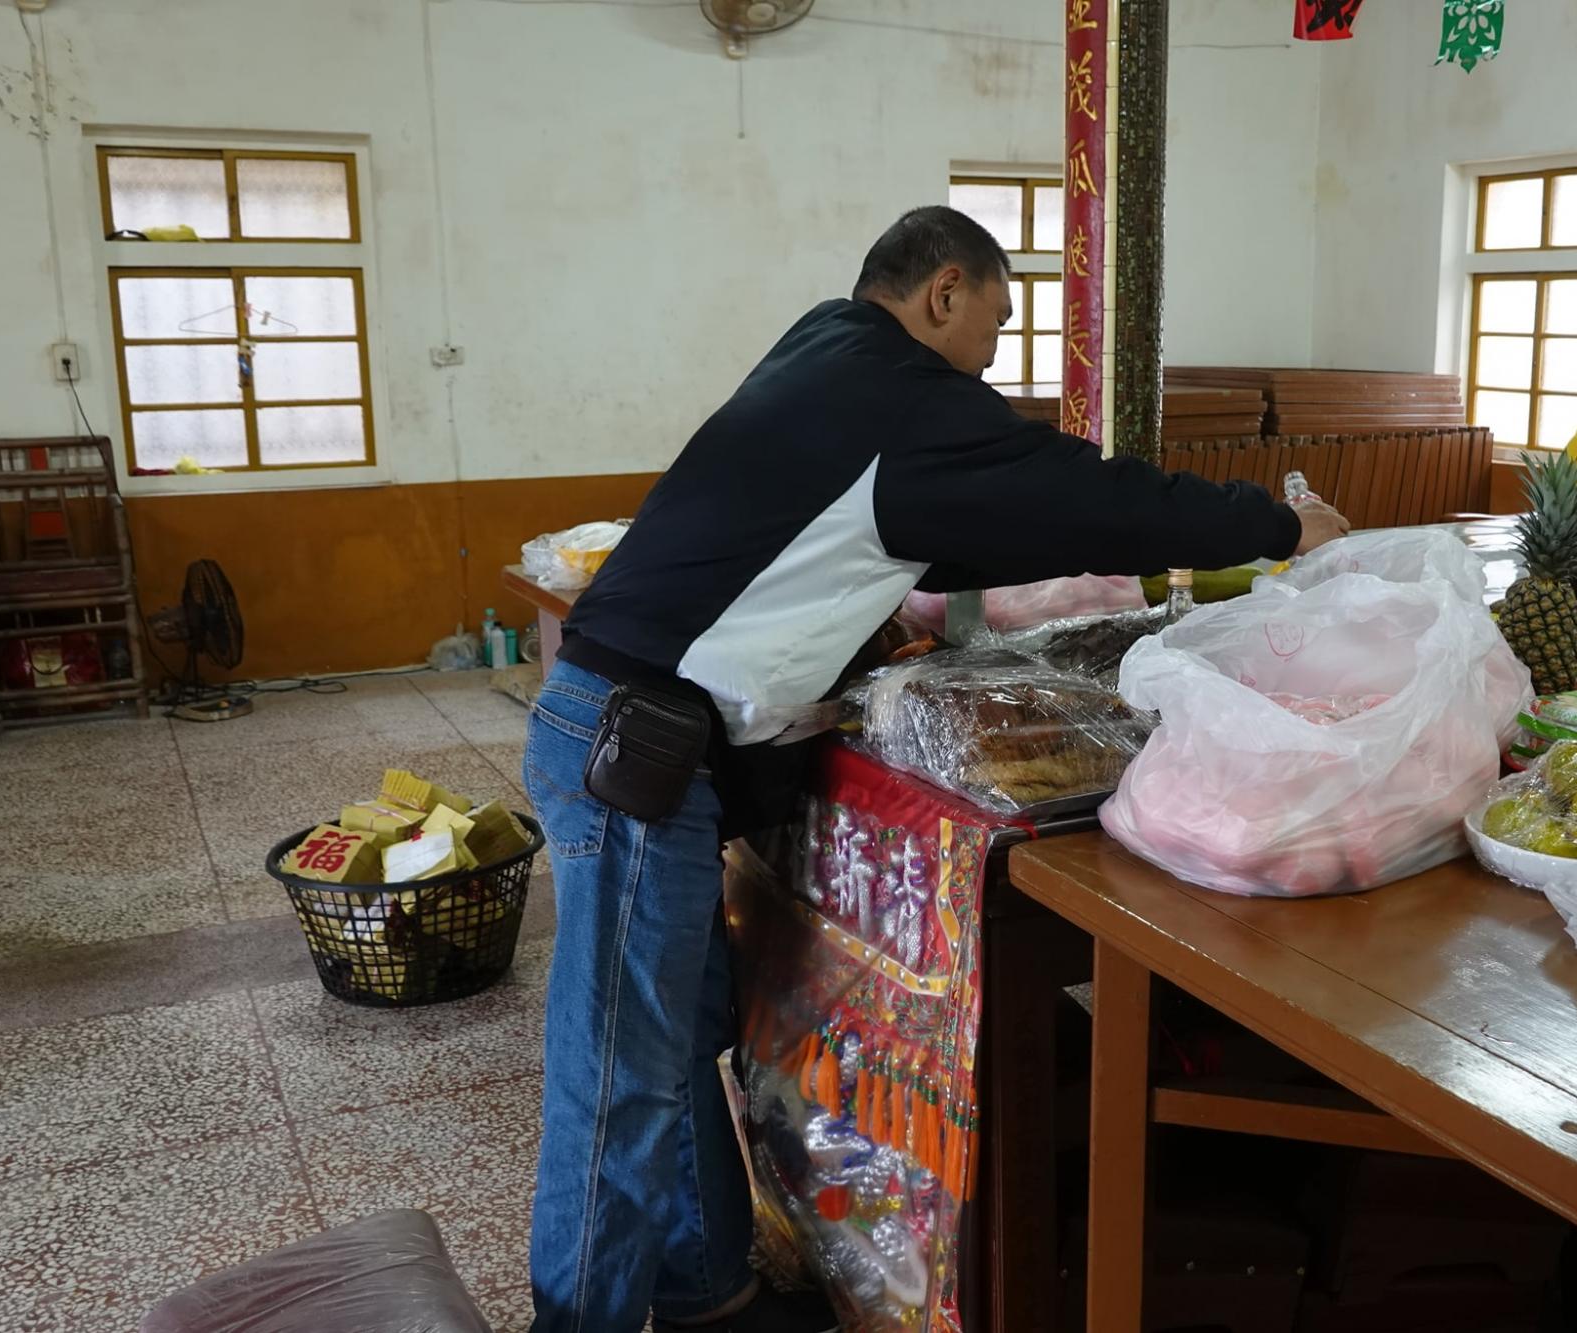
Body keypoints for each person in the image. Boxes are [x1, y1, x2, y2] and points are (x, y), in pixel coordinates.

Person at [523, 205, 1349, 1333]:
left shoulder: (826, 349)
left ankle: (705, 1290)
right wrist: (1278, 526)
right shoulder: (906, 399)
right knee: (620, 1075)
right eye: (994, 323)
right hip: (635, 747)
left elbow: (956, 531)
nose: (992, 357)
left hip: (632, 729)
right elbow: (1081, 494)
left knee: (669, 1048)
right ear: (943, 292)